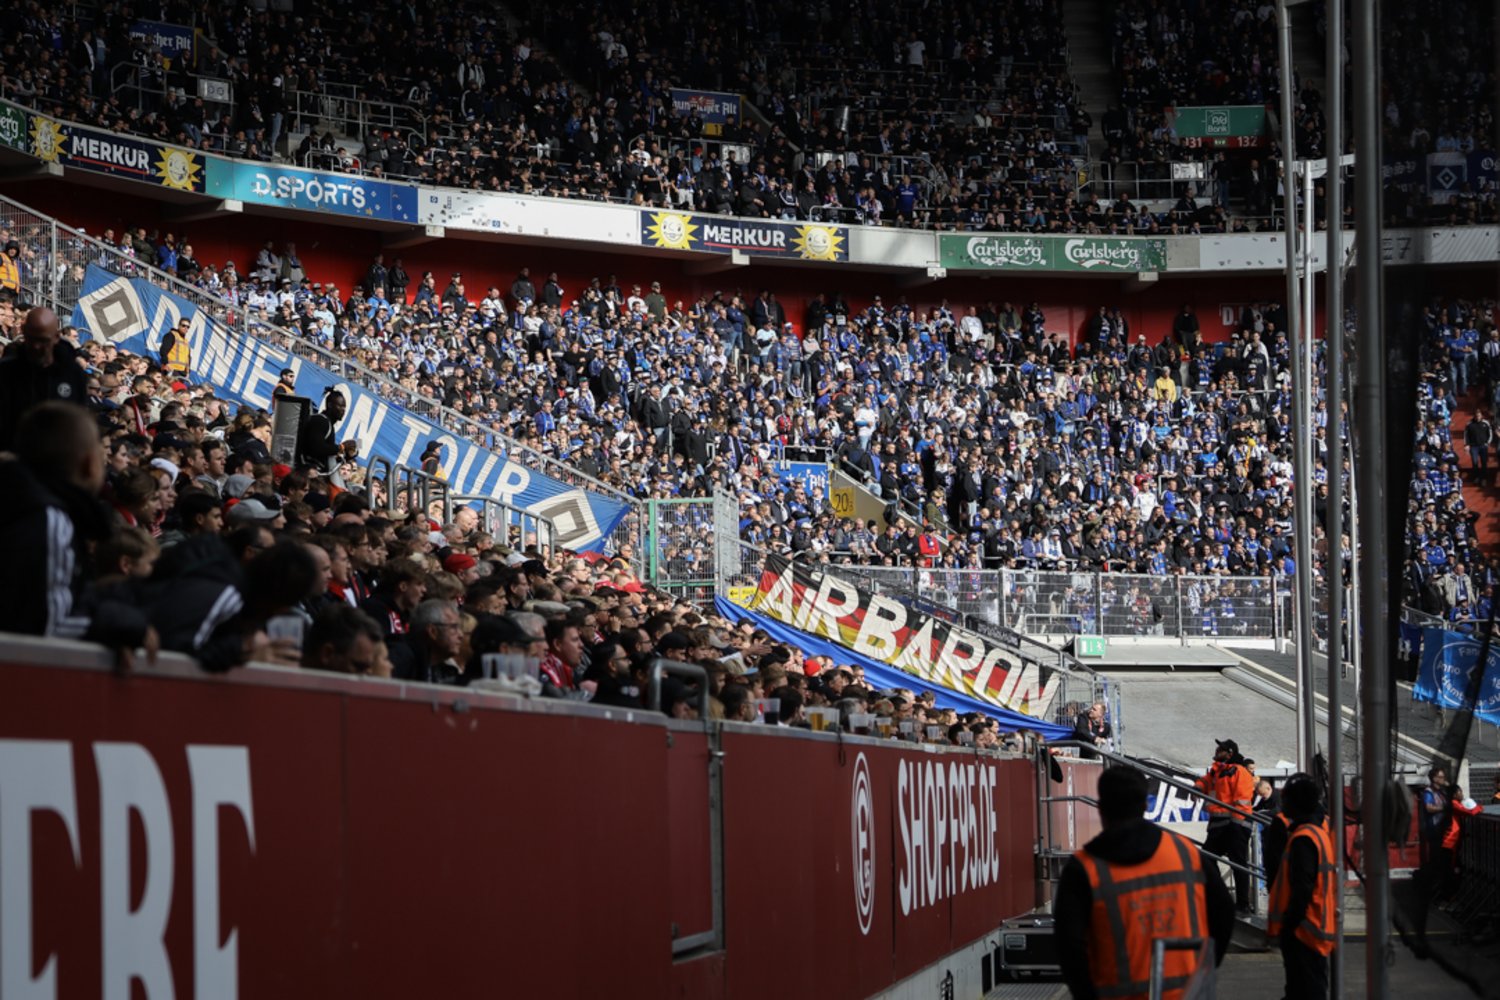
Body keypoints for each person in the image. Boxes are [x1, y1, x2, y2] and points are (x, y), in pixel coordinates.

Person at [1054, 766, 1234, 1000]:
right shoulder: (1185, 854)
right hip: (1187, 993)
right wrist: (1204, 973)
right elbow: (1224, 912)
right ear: (1145, 805)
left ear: (1101, 808)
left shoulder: (1083, 870)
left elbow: (1070, 948)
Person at [0, 402, 155, 660]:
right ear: (88, 464)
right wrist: (121, 626)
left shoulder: (22, 500)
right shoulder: (49, 519)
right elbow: (47, 626)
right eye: (102, 451)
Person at [1266, 773, 1335, 1000]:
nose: (1282, 803)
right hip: (1313, 928)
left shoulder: (1303, 839)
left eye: (1286, 798)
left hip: (1304, 933)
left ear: (1295, 802)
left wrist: (1288, 927)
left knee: (1306, 991)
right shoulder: (1316, 833)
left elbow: (1302, 889)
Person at [0, 307, 89, 451]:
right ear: (24, 332)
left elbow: (79, 416)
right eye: (32, 338)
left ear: (56, 337)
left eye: (43, 340)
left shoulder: (72, 373)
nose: (36, 346)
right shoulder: (7, 371)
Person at [1193, 738, 1256, 913]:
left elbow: (1242, 802)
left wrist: (1237, 826)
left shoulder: (1240, 771)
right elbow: (1205, 781)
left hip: (1236, 825)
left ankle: (1243, 904)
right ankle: (1222, 896)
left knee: (1238, 864)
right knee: (1206, 858)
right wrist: (1197, 788)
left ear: (1229, 753)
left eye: (1220, 749)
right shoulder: (1216, 771)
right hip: (1219, 825)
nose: (1216, 752)